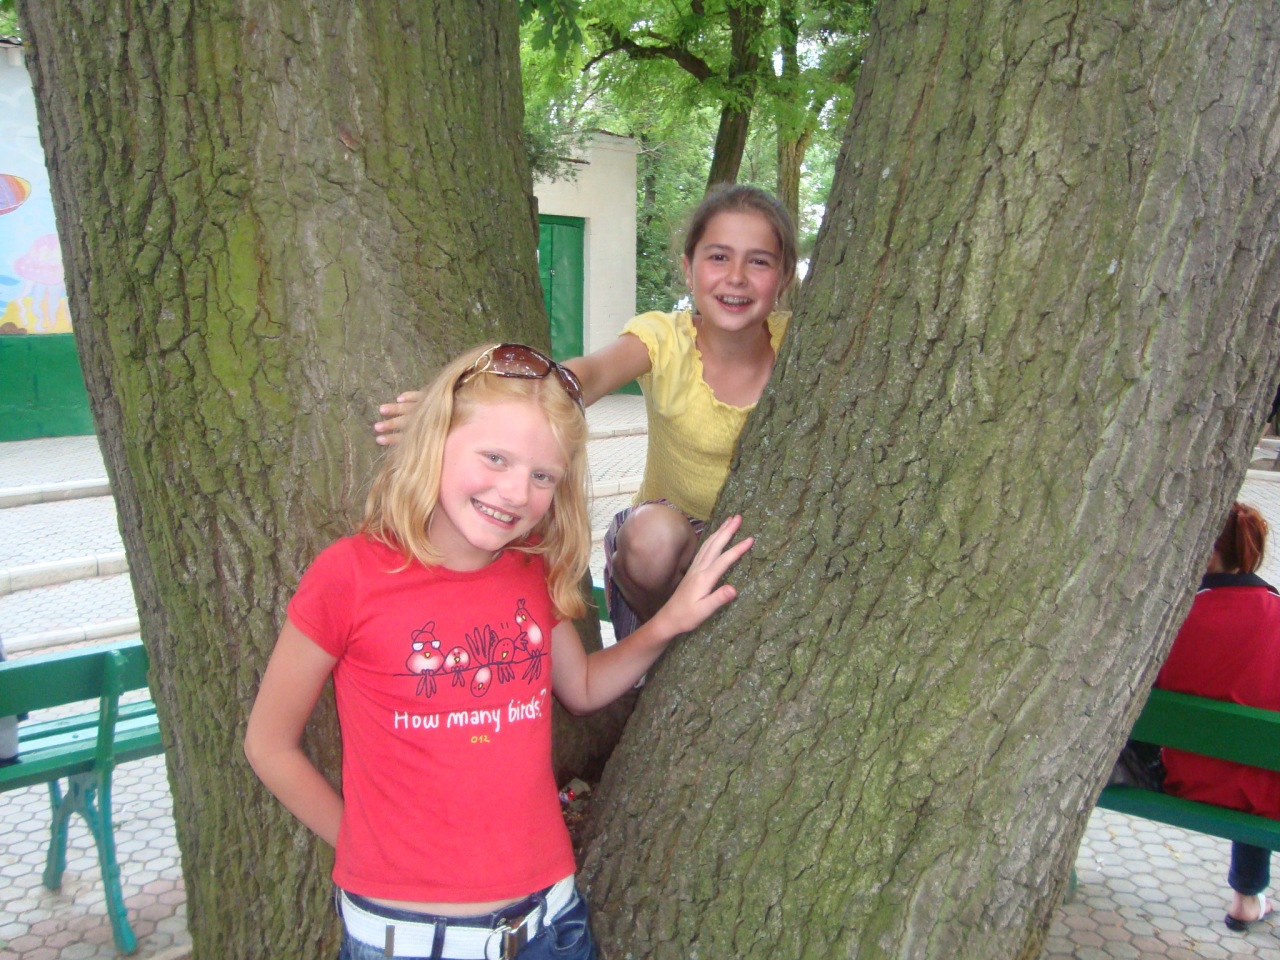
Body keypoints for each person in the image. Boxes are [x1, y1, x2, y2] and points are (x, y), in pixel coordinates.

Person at [245, 343, 753, 960]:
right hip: (407, 939)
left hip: (551, 926)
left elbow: (582, 688)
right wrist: (362, 845)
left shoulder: (530, 573)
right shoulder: (349, 575)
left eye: (543, 476)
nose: (515, 492)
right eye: (495, 458)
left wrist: (670, 620)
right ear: (436, 439)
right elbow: (268, 744)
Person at [376, 184, 796, 641]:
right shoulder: (665, 338)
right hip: (672, 547)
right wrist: (459, 403)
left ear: (785, 276)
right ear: (687, 269)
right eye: (718, 257)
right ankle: (672, 651)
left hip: (766, 543)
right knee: (652, 537)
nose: (736, 277)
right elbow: (586, 376)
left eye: (759, 261)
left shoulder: (802, 345)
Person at [1157, 501, 1280, 932]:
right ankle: (1247, 898)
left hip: (1181, 778)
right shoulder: (1276, 612)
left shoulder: (1173, 613)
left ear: (1207, 553)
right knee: (1260, 771)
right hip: (1261, 795)